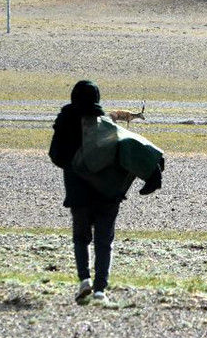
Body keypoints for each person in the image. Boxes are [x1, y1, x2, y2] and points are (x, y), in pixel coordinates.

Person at [48, 80, 163, 304]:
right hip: (108, 193)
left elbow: (56, 156)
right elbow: (132, 147)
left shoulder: (65, 122)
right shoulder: (106, 126)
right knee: (104, 239)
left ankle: (84, 281)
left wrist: (77, 166)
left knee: (81, 238)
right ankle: (100, 291)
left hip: (78, 191)